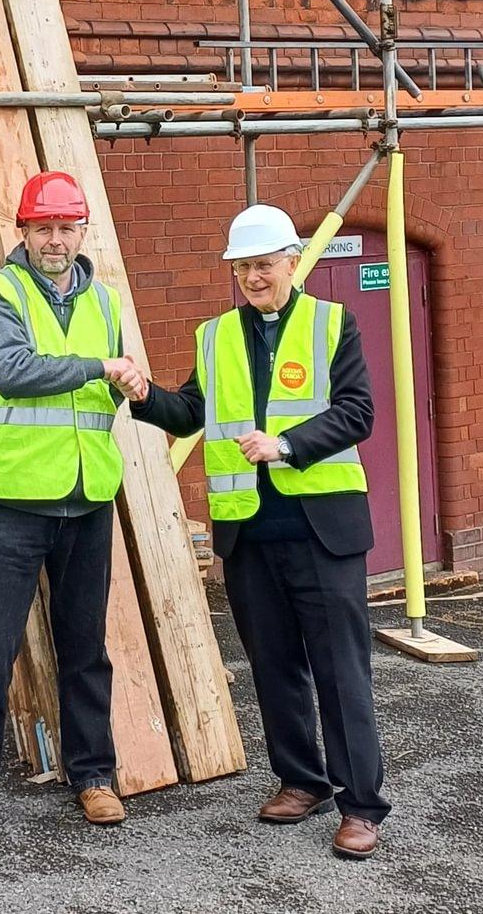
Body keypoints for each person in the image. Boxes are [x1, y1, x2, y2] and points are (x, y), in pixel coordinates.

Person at [130, 203, 389, 860]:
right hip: (248, 532)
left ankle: (360, 805)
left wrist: (286, 444)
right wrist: (139, 394)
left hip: (322, 530)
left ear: (291, 263)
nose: (252, 276)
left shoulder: (334, 324)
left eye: (263, 264)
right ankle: (301, 782)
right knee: (274, 666)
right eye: (242, 266)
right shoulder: (214, 336)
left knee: (339, 672)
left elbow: (357, 412)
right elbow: (190, 413)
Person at [0, 170, 147, 843]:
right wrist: (100, 370)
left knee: (85, 648)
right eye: (42, 228)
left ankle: (92, 776)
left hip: (87, 495)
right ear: (22, 231)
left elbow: (105, 396)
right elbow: (9, 371)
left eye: (66, 227)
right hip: (14, 499)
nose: (55, 240)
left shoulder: (105, 304)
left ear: (82, 231)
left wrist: (128, 383)